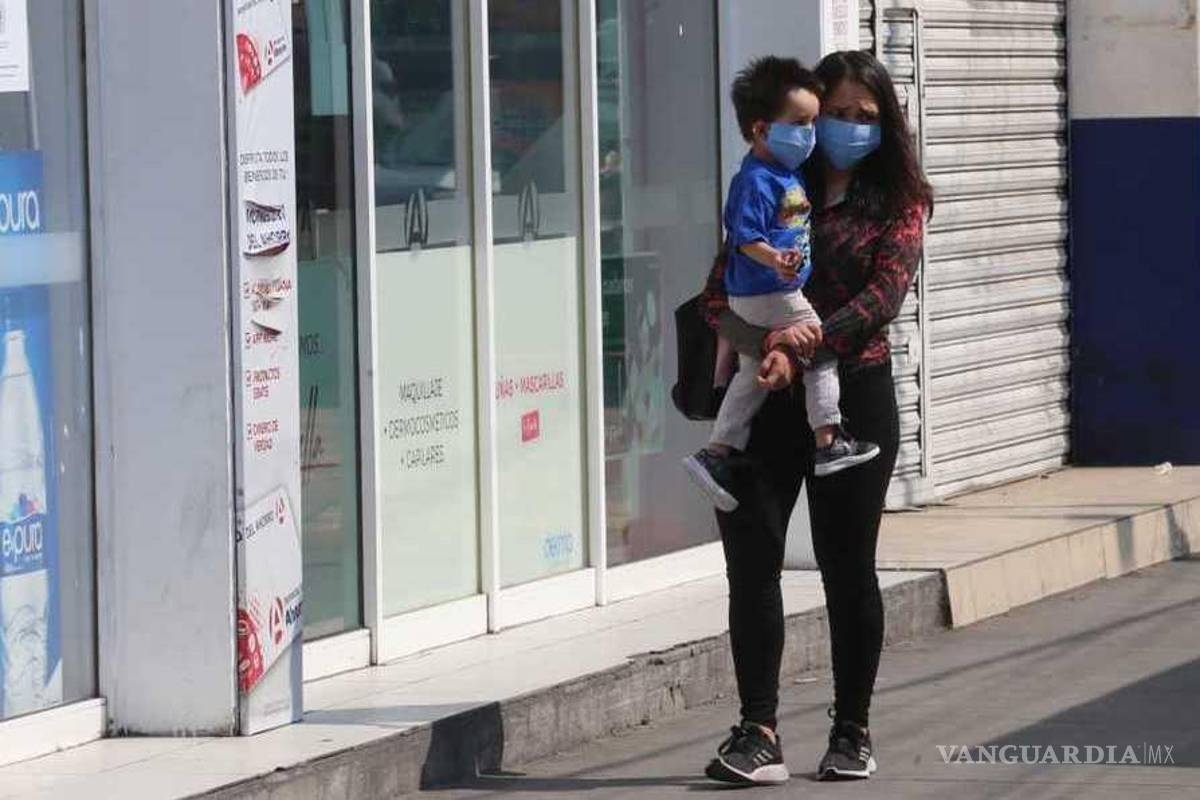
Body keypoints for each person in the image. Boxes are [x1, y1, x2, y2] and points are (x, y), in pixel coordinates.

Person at [700, 50, 932, 786]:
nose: (849, 128)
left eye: (867, 117)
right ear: (808, 111)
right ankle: (757, 731)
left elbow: (882, 299)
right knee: (752, 562)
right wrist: (766, 344)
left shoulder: (899, 199)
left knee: (846, 566)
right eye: (837, 113)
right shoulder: (768, 182)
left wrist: (801, 347)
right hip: (766, 399)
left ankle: (852, 729)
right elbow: (718, 294)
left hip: (853, 400)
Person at [682, 56, 879, 515]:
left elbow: (880, 297)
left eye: (814, 121)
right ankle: (829, 437)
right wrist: (776, 262)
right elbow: (744, 239)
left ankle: (717, 452)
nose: (810, 134)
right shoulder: (754, 179)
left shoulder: (787, 174)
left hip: (766, 296)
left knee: (751, 376)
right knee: (819, 346)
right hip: (772, 294)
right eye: (802, 123)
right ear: (760, 129)